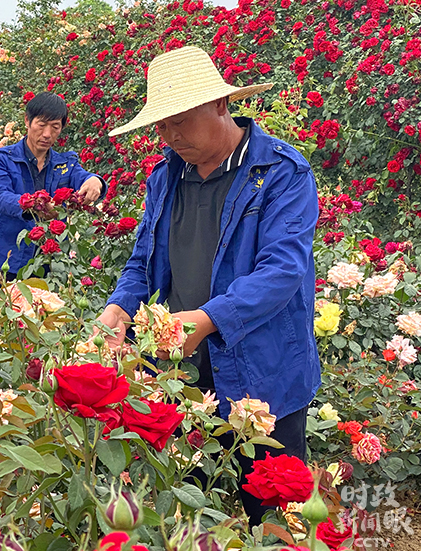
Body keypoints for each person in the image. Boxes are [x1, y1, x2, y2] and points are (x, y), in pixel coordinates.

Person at [97, 46, 321, 525]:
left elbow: (282, 271)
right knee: (182, 512)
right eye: (161, 125)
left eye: (181, 120)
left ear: (221, 104)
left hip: (262, 378)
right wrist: (120, 306)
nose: (171, 135)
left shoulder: (281, 173)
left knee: (273, 516)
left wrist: (208, 319)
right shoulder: (165, 176)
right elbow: (144, 261)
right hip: (181, 377)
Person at [0, 91, 107, 280]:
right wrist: (34, 206)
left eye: (55, 127)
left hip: (47, 266)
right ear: (27, 121)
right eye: (41, 124)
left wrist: (95, 181)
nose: (47, 134)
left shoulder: (66, 164)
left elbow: (82, 177)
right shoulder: (0, 159)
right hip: (2, 264)